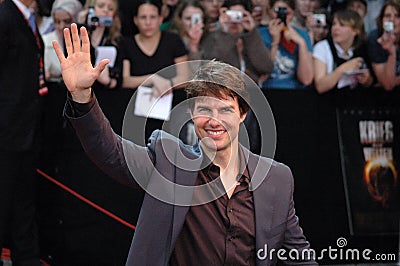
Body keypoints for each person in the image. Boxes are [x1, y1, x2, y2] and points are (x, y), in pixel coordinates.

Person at [52, 22, 317, 265]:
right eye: (204, 110)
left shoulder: (276, 178)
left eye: (225, 110)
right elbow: (110, 151)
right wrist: (81, 95)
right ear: (190, 114)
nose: (214, 121)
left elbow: (298, 255)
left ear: (243, 114)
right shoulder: (169, 160)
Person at [0, 0, 45, 265]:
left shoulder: (28, 17)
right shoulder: (4, 18)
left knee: (23, 207)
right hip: (6, 134)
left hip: (26, 132)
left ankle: (26, 259)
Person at [121, 0, 189, 142]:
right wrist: (153, 78)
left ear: (160, 19)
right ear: (135, 20)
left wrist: (167, 84)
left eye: (152, 17)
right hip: (136, 114)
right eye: (143, 17)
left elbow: (185, 77)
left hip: (171, 112)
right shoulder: (126, 43)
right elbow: (126, 80)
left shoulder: (173, 41)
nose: (148, 22)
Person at [313, 9, 373, 93]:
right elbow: (320, 86)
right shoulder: (322, 47)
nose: (335, 28)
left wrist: (366, 80)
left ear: (356, 31)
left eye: (342, 25)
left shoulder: (362, 48)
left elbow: (370, 83)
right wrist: (343, 69)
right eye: (334, 24)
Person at [258, 0, 314, 89]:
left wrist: (301, 43)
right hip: (266, 90)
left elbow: (306, 80)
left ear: (292, 14)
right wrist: (275, 43)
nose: (281, 16)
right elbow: (262, 76)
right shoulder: (259, 34)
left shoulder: (303, 35)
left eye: (286, 12)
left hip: (294, 92)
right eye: (277, 11)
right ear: (269, 11)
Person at [42, 0, 83, 81]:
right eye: (57, 22)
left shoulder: (85, 40)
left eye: (67, 21)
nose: (61, 26)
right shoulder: (45, 40)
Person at [367, 0, 400, 91]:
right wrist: (391, 53)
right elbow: (388, 84)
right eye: (387, 16)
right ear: (381, 20)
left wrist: (395, 80)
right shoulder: (375, 38)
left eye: (397, 16)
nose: (392, 20)